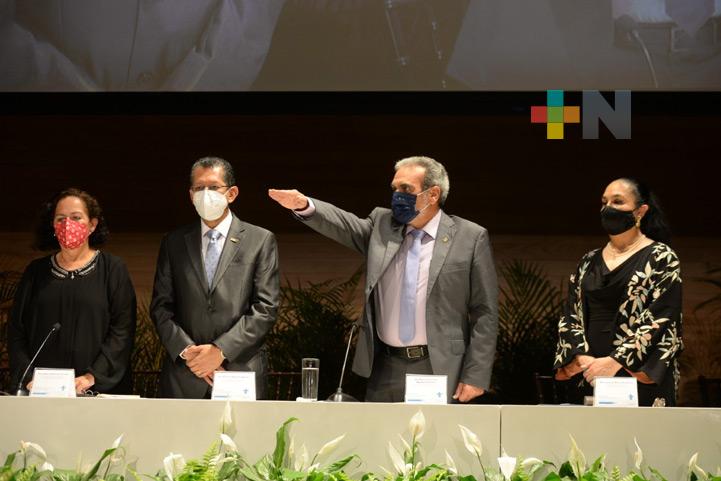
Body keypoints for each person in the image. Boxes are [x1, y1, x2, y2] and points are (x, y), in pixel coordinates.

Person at [269, 155, 498, 403]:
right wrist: (305, 204)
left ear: (433, 194)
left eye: (406, 189)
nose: (397, 195)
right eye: (395, 188)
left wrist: (476, 374)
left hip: (439, 365)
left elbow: (484, 312)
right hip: (385, 365)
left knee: (435, 440)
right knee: (381, 439)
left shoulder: (470, 237)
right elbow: (345, 225)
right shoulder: (382, 225)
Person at [151, 156, 279, 399]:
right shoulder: (174, 242)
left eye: (213, 187)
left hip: (239, 369)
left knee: (242, 438)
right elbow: (161, 307)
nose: (205, 193)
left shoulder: (260, 240)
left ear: (231, 193)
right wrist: (188, 351)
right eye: (199, 188)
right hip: (185, 373)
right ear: (190, 195)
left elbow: (266, 308)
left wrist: (220, 351)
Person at [554, 178, 683, 406]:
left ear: (640, 211)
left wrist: (615, 361)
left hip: (638, 374)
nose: (608, 208)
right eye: (604, 202)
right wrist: (584, 360)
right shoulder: (588, 261)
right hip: (590, 373)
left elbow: (661, 316)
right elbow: (570, 315)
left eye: (618, 202)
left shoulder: (661, 257)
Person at [8, 188, 136, 395]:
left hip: (96, 391)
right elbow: (16, 331)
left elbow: (122, 330)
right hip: (42, 392)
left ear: (92, 225)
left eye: (76, 217)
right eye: (60, 219)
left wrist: (91, 377)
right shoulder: (35, 272)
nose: (67, 225)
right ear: (52, 225)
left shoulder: (113, 269)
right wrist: (29, 377)